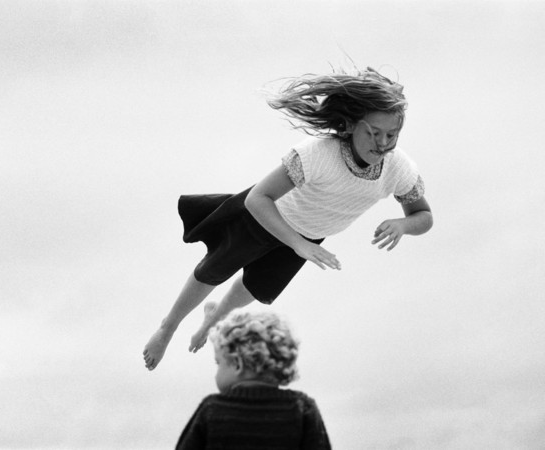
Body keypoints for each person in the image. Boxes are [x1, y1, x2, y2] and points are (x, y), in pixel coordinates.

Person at [144, 66, 433, 370]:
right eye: (374, 133)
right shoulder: (318, 155)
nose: (382, 144)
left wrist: (403, 225)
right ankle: (168, 327)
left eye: (392, 135)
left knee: (255, 290)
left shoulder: (397, 168)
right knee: (213, 271)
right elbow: (258, 198)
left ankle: (211, 321)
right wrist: (298, 244)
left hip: (308, 237)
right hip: (264, 219)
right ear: (349, 126)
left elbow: (424, 216)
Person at [175, 310, 332, 449]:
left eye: (219, 363)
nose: (216, 373)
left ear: (238, 363)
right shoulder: (302, 408)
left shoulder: (211, 409)